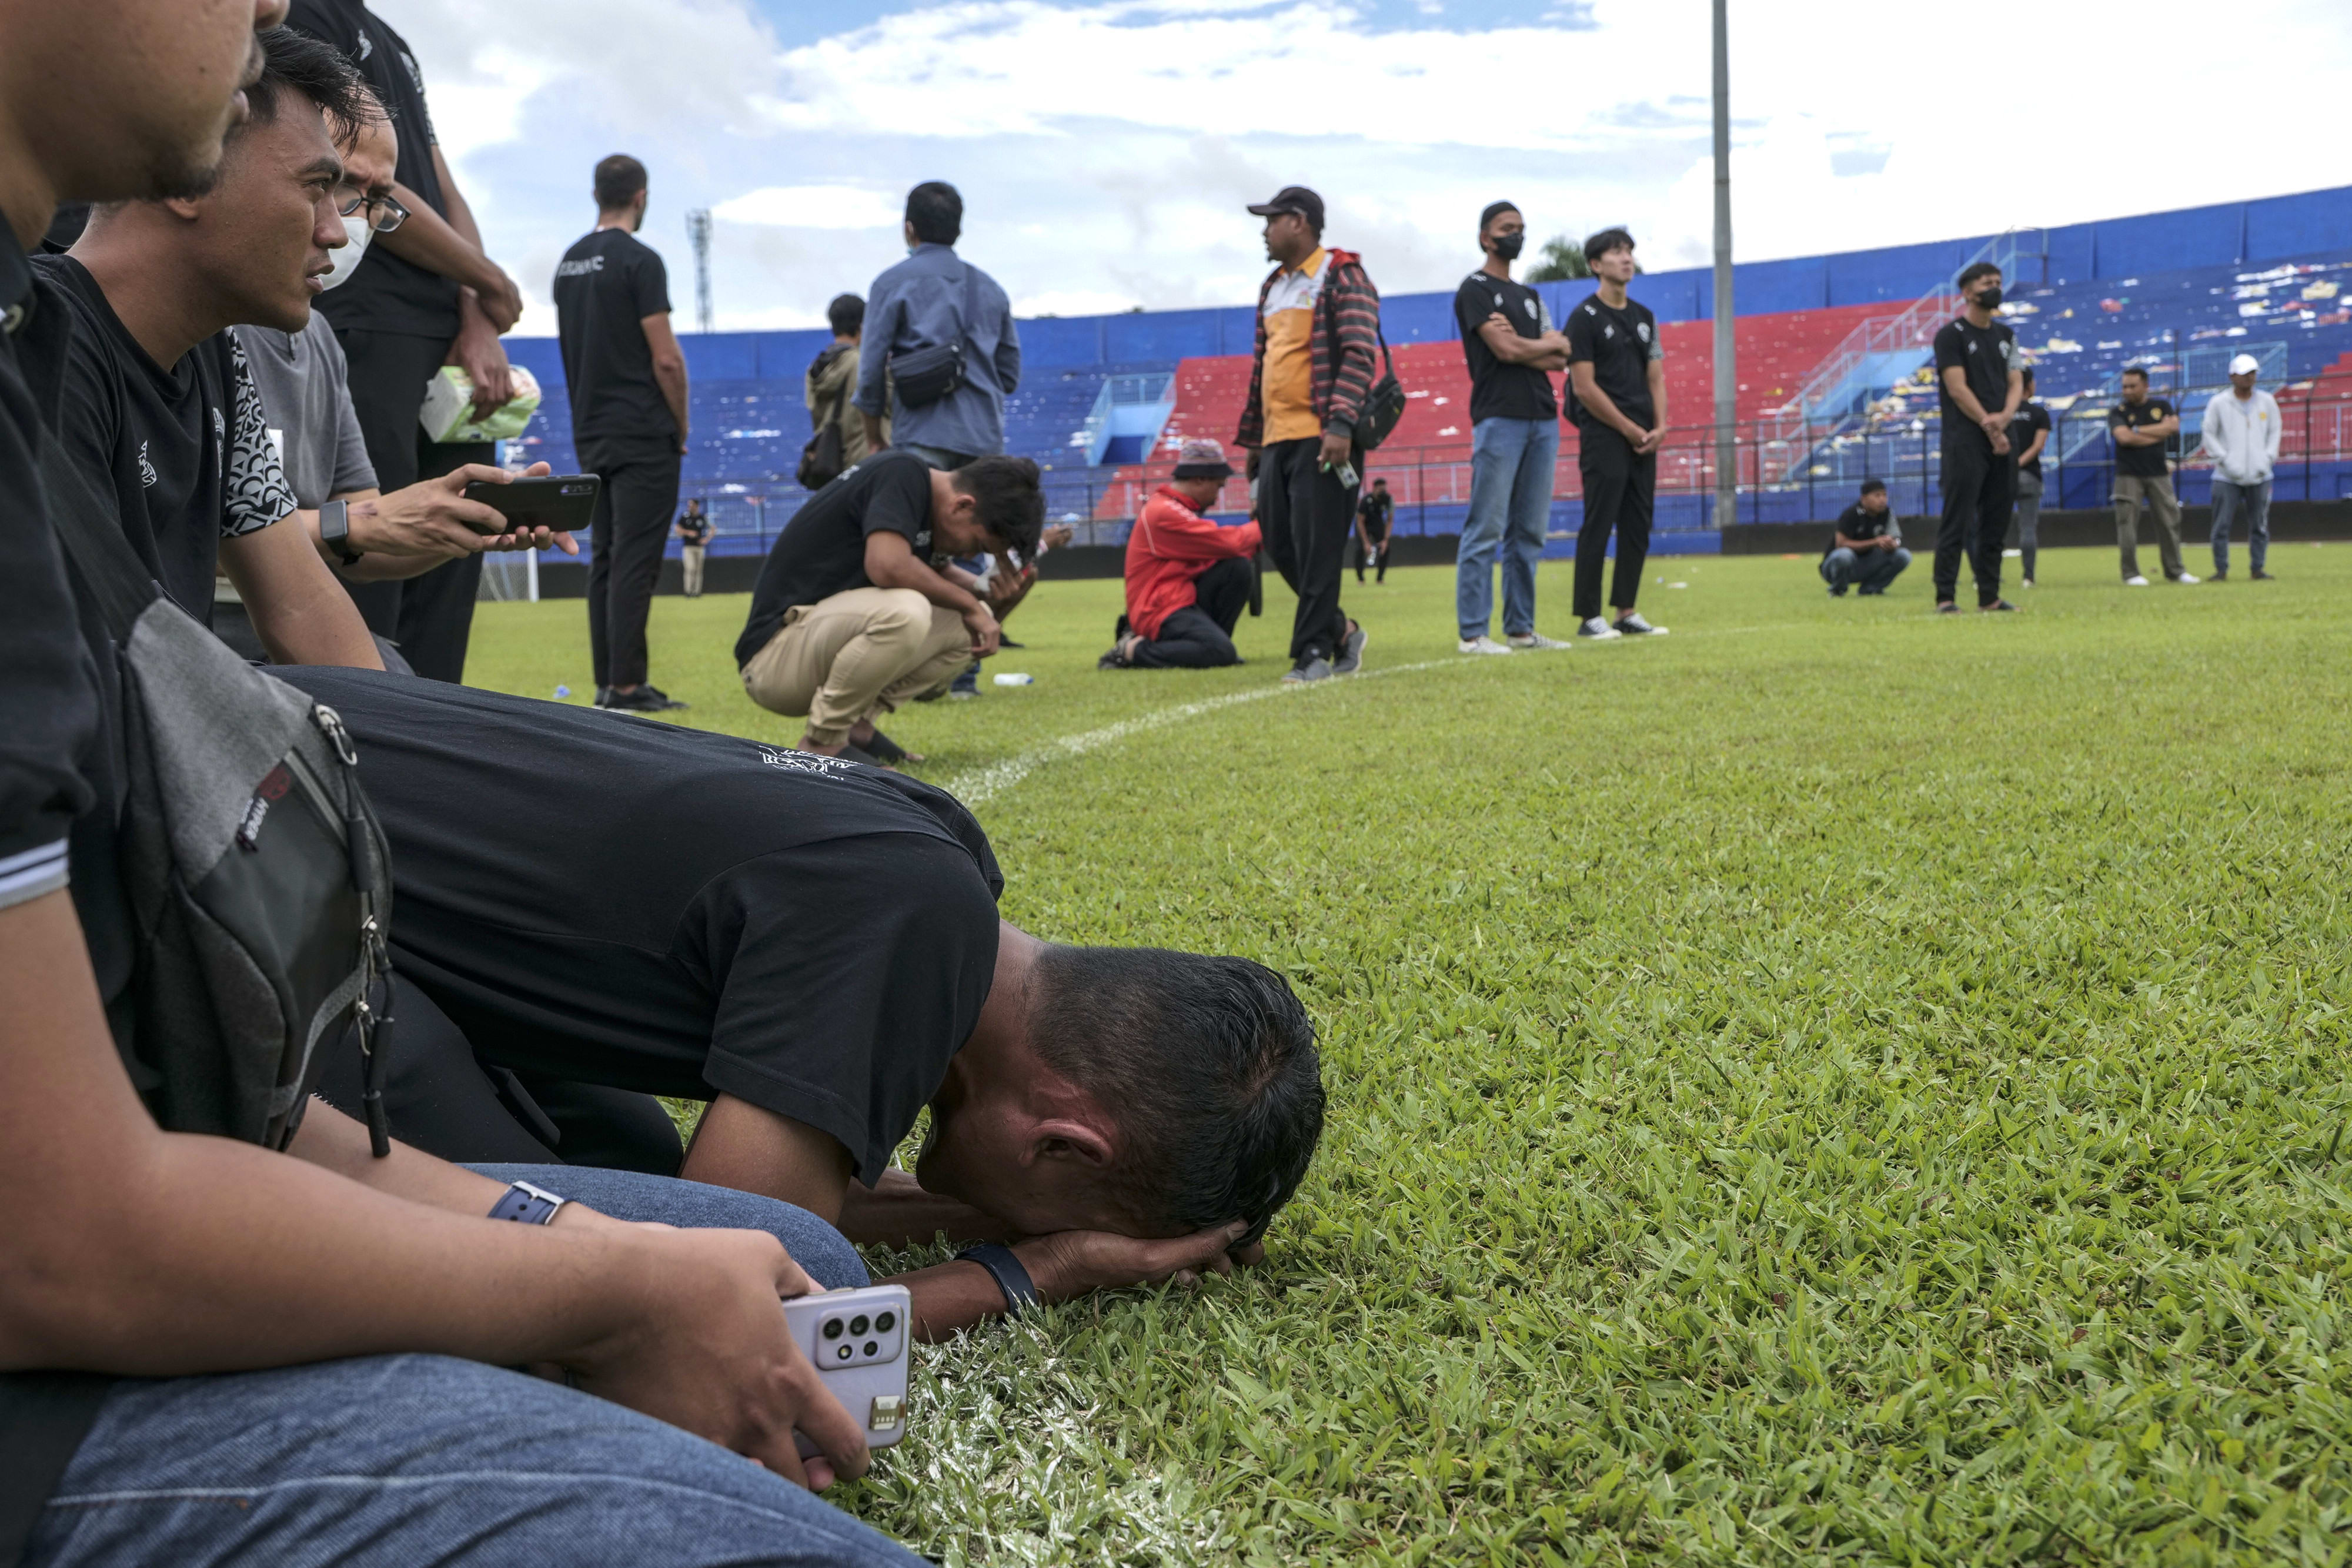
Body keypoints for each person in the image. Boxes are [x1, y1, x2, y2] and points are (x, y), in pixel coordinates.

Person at [0, 6, 926, 1563]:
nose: (351, 228)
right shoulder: (58, 360)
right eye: (331, 186)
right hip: (82, 1269)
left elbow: (302, 623)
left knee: (769, 1252)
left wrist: (567, 1246)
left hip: (176, 1100)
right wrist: (596, 1285)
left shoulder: (161, 370)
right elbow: (63, 1228)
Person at [259, 663, 1325, 1339]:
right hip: (233, 876)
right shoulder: (899, 924)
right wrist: (1035, 1265)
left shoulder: (940, 858)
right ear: (1063, 1142)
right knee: (687, 1255)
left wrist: (1001, 1215)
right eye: (1051, 1200)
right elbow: (742, 1292)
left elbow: (759, 1189)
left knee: (629, 1159)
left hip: (286, 795)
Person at [228, 86, 571, 663]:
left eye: (376, 200)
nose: (346, 228)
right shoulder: (195, 329)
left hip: (295, 632)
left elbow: (363, 547)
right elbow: (185, 534)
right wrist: (360, 523)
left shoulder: (318, 341)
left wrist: (459, 524)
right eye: (335, 185)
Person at [286, 0, 531, 683]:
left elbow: (436, 183)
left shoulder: (392, 40)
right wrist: (486, 278)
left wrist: (477, 316)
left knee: (460, 537)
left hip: (444, 335)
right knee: (369, 537)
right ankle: (367, 710)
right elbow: (359, 174)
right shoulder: (304, 14)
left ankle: (439, 718)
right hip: (366, 317)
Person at [737, 451, 1043, 757]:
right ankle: (823, 741)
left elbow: (936, 571)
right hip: (773, 659)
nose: (969, 555)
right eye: (977, 545)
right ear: (962, 505)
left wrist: (984, 591)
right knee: (906, 611)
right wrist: (970, 605)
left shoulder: (923, 492)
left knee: (966, 625)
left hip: (811, 644)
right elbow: (887, 565)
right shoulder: (902, 472)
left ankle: (858, 726)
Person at [554, 154, 690, 712]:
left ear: (596, 194)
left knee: (606, 558)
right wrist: (680, 424)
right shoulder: (641, 260)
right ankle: (629, 686)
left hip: (592, 431)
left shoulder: (568, 263)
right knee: (636, 560)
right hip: (642, 431)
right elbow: (667, 360)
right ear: (641, 196)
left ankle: (610, 682)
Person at [1235, 185, 1376, 683]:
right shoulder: (1272, 287)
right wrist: (1256, 438)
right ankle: (1343, 631)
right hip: (1277, 439)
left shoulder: (1341, 275)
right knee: (1279, 541)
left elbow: (1359, 353)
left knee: (1318, 550)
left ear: (1299, 222)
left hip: (1324, 437)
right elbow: (1264, 368)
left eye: (1271, 221)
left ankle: (1312, 653)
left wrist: (1340, 424)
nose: (1264, 231)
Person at [1454, 200, 1571, 654]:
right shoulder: (1475, 289)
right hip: (1499, 417)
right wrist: (1534, 345)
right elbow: (1504, 351)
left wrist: (1526, 343)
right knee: (1486, 527)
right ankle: (1473, 634)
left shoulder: (1530, 297)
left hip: (1543, 418)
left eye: (1521, 228)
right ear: (1486, 237)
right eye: (1507, 228)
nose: (1516, 235)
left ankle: (1521, 629)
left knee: (1530, 532)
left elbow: (1561, 355)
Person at [855, 183, 1018, 470]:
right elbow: (1009, 376)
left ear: (909, 229)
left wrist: (875, 439)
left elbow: (870, 375)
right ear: (959, 230)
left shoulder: (890, 284)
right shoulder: (991, 289)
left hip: (920, 438)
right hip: (984, 443)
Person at [1565, 228, 1668, 640]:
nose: (1626, 259)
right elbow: (1583, 387)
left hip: (1644, 437)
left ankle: (1626, 611)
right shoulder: (1583, 318)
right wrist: (1627, 427)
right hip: (1605, 434)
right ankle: (1589, 616)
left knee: (1637, 523)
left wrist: (1660, 427)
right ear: (1596, 265)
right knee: (1599, 520)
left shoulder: (1645, 317)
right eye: (1616, 252)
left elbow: (1656, 376)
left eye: (1629, 251)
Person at [1102, 439, 1261, 669]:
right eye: (1218, 486)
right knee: (1220, 652)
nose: (1217, 497)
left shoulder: (1171, 508)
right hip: (1157, 609)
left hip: (1177, 599)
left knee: (1237, 567)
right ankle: (1131, 650)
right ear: (1200, 479)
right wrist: (1267, 526)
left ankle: (1211, 645)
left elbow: (1224, 549)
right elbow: (1228, 543)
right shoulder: (1164, 512)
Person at [1930, 261, 2023, 613]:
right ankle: (1946, 596)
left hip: (2003, 437)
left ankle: (1990, 596)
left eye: (1998, 282)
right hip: (1965, 439)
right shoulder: (1950, 335)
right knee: (1958, 518)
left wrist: (2005, 417)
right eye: (1987, 283)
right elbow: (1957, 388)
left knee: (1997, 519)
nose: (1995, 288)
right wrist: (1988, 424)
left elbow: (2016, 381)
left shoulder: (2007, 336)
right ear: (1968, 292)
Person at [2108, 366, 2197, 587]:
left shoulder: (2162, 406)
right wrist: (2159, 432)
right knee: (2127, 524)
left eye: (2133, 386)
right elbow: (2124, 438)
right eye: (2125, 387)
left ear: (2146, 386)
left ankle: (2175, 571)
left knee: (2170, 522)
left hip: (2158, 473)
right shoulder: (2118, 411)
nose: (2128, 391)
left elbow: (2173, 427)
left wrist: (2138, 430)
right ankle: (2131, 574)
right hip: (2128, 474)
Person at [2203, 352, 2281, 582]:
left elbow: (2275, 431)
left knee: (2260, 525)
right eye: (2244, 373)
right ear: (2232, 376)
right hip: (2226, 476)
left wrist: (2268, 458)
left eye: (2253, 373)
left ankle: (2258, 568)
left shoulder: (2267, 401)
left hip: (2260, 474)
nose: (2249, 377)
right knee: (2221, 525)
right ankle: (2221, 570)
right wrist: (2224, 459)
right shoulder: (2219, 403)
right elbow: (2209, 433)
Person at [809, 292, 882, 467]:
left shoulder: (816, 366)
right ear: (861, 326)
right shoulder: (862, 363)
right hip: (862, 460)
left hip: (829, 461)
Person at [1820, 479, 1911, 596]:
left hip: (1866, 564)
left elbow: (1896, 539)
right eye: (1877, 496)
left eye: (1884, 495)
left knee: (1903, 555)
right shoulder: (1851, 514)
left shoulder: (1887, 513)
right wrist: (1875, 542)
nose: (1882, 499)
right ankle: (1838, 590)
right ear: (1864, 499)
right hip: (1835, 567)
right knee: (1844, 555)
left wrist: (1893, 544)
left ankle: (1870, 589)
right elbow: (1841, 544)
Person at [2009, 366, 2052, 588]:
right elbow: (2038, 446)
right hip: (2030, 476)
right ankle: (2028, 577)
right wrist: (2020, 463)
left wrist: (2010, 466)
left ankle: (1986, 576)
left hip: (2003, 477)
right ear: (2029, 385)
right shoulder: (2039, 413)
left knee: (1995, 528)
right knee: (2027, 528)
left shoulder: (2003, 412)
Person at [1355, 476, 1393, 584]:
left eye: (1384, 490)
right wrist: (1366, 542)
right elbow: (1360, 521)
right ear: (1375, 488)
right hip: (1364, 525)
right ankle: (1361, 579)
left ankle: (1380, 578)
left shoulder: (1388, 499)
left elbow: (1390, 520)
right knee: (1360, 550)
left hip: (1378, 524)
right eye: (1381, 490)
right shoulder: (1365, 501)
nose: (1383, 492)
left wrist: (1385, 540)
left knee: (1385, 549)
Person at [676, 496, 714, 597]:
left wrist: (707, 539)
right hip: (688, 547)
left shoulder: (702, 518)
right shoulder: (684, 517)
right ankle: (688, 591)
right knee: (690, 568)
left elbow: (713, 528)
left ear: (697, 506)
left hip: (700, 548)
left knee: (698, 570)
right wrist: (688, 532)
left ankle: (697, 592)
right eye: (689, 505)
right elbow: (677, 529)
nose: (689, 507)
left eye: (692, 504)